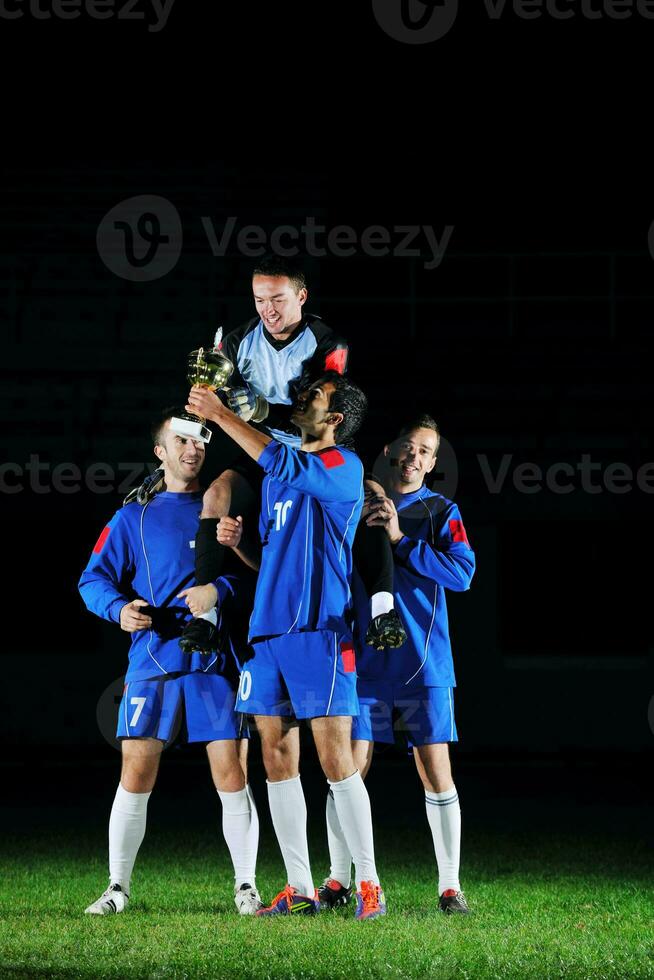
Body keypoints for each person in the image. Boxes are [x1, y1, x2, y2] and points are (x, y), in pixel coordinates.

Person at [186, 371, 387, 920]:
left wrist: (222, 415)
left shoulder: (344, 468)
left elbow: (279, 460)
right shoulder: (282, 476)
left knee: (336, 761)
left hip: (321, 633)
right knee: (275, 760)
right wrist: (240, 545)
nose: (299, 401)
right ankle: (299, 889)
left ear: (335, 419)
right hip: (267, 636)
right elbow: (272, 556)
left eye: (312, 397)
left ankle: (369, 884)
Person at [78, 408, 261, 916]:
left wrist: (218, 589)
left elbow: (255, 578)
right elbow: (93, 580)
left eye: (200, 439)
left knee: (232, 773)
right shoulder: (132, 516)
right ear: (160, 452)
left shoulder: (226, 509)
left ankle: (246, 886)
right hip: (151, 660)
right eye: (180, 440)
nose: (193, 447)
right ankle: (117, 888)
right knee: (135, 772)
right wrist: (120, 610)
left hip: (215, 662)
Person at [179, 256, 405, 656]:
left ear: (301, 296)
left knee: (370, 498)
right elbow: (221, 404)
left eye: (278, 299)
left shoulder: (327, 343)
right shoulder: (236, 342)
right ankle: (205, 619)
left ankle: (383, 609)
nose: (269, 309)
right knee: (216, 496)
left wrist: (263, 410)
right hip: (265, 448)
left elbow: (323, 407)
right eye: (259, 300)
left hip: (315, 445)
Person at [317, 415, 475, 915]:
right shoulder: (354, 503)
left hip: (423, 666)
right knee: (347, 770)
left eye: (425, 451)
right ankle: (340, 880)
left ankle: (450, 887)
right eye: (408, 447)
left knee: (435, 772)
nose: (414, 457)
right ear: (389, 450)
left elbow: (462, 573)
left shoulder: (440, 511)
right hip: (360, 665)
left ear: (432, 463)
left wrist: (403, 540)